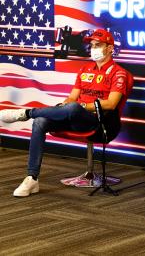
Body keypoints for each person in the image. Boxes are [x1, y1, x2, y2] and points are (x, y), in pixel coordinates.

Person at [0, 29, 133, 197]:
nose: (93, 49)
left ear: (110, 49)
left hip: (99, 122)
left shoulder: (118, 73)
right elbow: (72, 97)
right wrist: (62, 106)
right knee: (41, 121)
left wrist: (81, 106)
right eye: (92, 45)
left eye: (98, 45)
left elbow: (111, 104)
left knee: (74, 108)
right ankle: (32, 178)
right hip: (74, 116)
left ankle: (26, 113)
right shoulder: (85, 70)